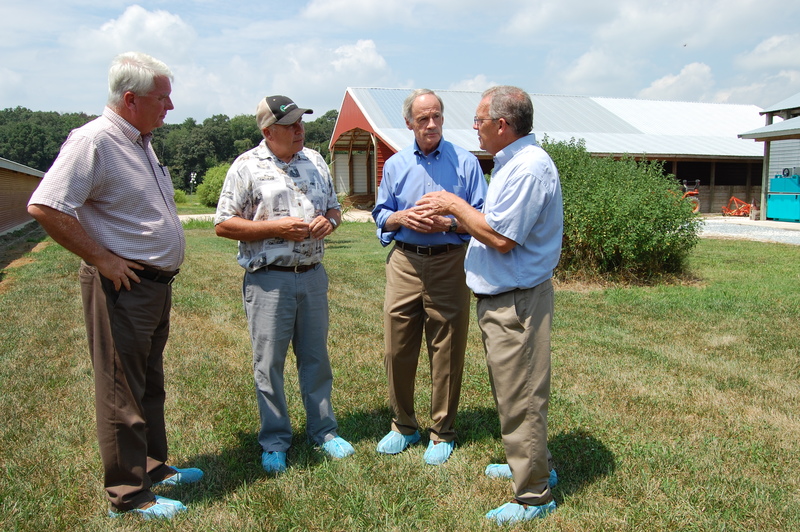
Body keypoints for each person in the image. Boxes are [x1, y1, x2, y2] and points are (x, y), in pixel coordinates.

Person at [27, 52, 203, 521]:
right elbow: (46, 205)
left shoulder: (140, 141)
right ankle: (129, 494)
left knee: (148, 381)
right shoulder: (94, 141)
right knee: (121, 387)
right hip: (124, 286)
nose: (170, 106)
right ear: (130, 99)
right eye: (162, 98)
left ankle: (152, 466)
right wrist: (101, 258)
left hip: (154, 285)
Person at [416, 86, 563, 524]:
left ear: (502, 125)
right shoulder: (514, 164)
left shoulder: (529, 169)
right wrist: (456, 218)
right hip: (504, 300)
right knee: (513, 391)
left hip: (515, 302)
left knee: (522, 396)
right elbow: (494, 226)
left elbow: (501, 238)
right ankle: (533, 464)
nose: (474, 128)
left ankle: (533, 496)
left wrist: (453, 203)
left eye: (479, 121)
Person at [215, 95, 354, 474]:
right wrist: (274, 228)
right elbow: (224, 223)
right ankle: (275, 440)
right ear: (267, 131)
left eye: (300, 122)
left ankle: (324, 431)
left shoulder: (316, 160)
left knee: (315, 358)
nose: (299, 130)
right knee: (269, 363)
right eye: (290, 124)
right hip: (268, 281)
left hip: (311, 276)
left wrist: (331, 221)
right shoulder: (246, 166)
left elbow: (334, 208)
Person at [371, 89, 486, 465]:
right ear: (409, 123)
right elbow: (380, 213)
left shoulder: (465, 163)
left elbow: (483, 216)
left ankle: (442, 432)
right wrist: (400, 218)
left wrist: (450, 220)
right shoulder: (395, 164)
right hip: (404, 261)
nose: (431, 124)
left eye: (436, 116)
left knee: (447, 349)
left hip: (449, 261)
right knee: (396, 348)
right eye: (423, 119)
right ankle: (403, 425)